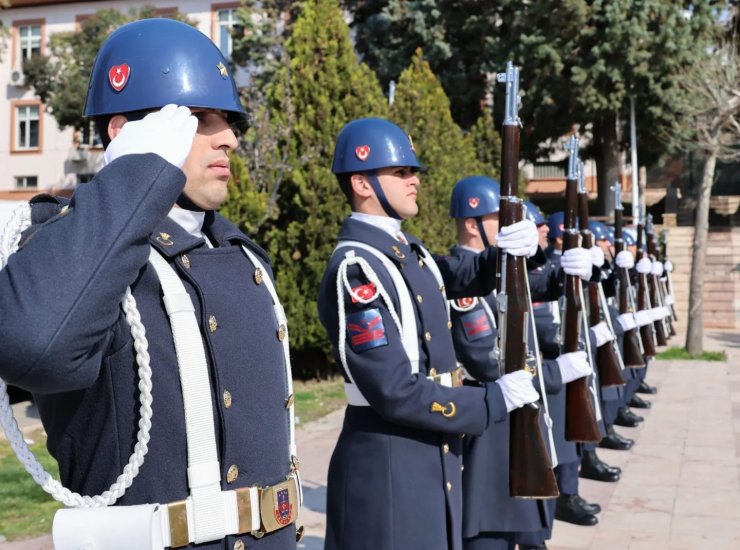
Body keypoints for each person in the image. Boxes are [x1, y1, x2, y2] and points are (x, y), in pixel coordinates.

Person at [0, 19, 299, 550]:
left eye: (227, 119)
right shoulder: (72, 250)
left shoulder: (236, 253)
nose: (229, 137)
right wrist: (136, 176)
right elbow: (33, 346)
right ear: (126, 132)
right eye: (200, 118)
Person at [317, 119, 542, 550]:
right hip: (388, 464)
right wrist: (491, 400)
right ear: (362, 183)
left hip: (428, 451)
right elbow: (394, 390)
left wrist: (511, 251)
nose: (414, 180)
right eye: (401, 172)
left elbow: (465, 273)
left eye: (413, 171)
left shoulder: (407, 252)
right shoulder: (357, 269)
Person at [445, 179, 592, 550]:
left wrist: (572, 270)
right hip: (490, 429)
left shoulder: (503, 274)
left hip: (520, 415)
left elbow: (541, 286)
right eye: (498, 217)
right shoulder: (460, 283)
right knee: (491, 536)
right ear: (470, 223)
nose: (510, 226)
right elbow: (485, 360)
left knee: (529, 533)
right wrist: (556, 373)